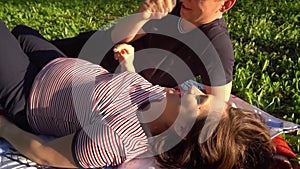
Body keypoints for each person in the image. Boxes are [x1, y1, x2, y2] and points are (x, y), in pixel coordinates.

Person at [0, 20, 276, 169]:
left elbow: (46, 153)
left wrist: (4, 127)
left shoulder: (118, 137)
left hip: (29, 94)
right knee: (23, 33)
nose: (195, 90)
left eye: (200, 100)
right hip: (57, 65)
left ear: (183, 130)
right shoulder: (165, 99)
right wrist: (127, 65)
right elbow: (125, 90)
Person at [13, 0, 236, 101]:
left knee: (23, 42)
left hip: (98, 78)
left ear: (226, 4)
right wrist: (143, 15)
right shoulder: (176, 7)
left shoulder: (216, 46)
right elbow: (122, 38)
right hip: (94, 49)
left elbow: (218, 107)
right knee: (23, 37)